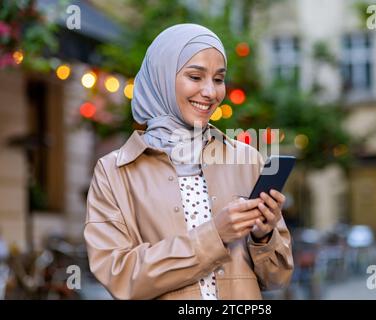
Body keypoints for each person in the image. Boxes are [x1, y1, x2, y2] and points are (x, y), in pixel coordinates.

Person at [84, 23, 293, 300]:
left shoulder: (247, 159)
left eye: (218, 80)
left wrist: (263, 236)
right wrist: (214, 235)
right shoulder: (114, 172)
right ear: (162, 78)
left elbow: (277, 277)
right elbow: (119, 275)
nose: (210, 92)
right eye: (195, 77)